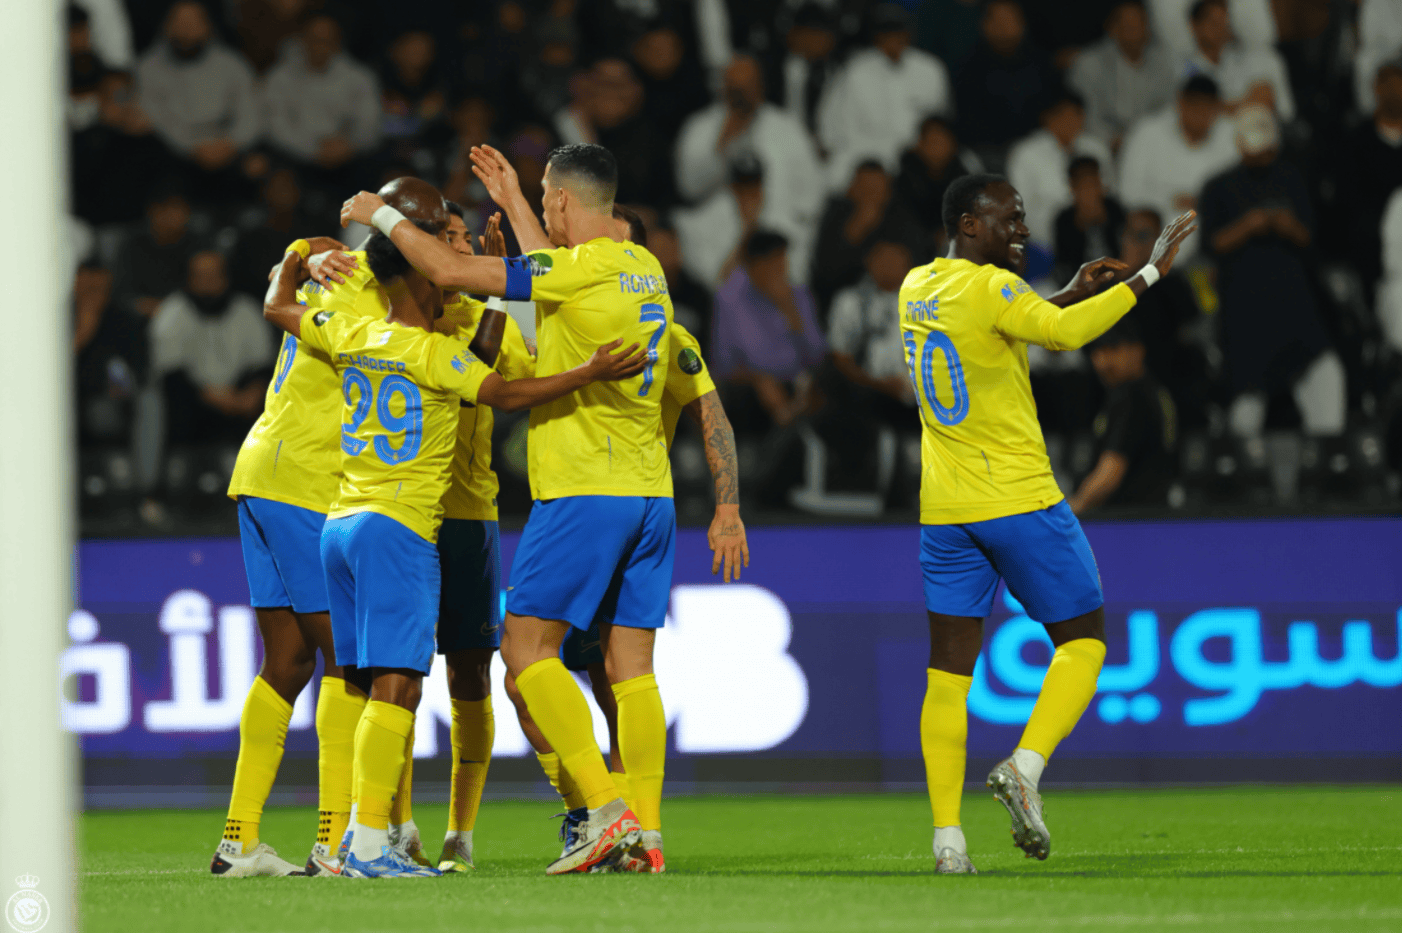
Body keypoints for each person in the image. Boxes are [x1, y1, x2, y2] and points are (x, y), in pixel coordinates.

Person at [340, 143, 744, 875]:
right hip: (651, 497)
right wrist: (519, 202)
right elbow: (554, 269)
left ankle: (604, 811)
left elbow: (452, 272)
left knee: (526, 652)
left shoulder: (575, 270)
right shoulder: (644, 269)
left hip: (586, 490)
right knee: (632, 668)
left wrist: (382, 215)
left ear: (562, 202)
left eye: (546, 201)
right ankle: (646, 834)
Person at [279, 176, 648, 879]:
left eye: (458, 242)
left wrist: (302, 255)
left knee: (439, 678)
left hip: (403, 514)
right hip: (408, 519)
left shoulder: (369, 322)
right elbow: (497, 385)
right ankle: (377, 834)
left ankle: (441, 834)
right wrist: (582, 362)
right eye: (442, 242)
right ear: (416, 257)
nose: (454, 251)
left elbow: (282, 305)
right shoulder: (411, 325)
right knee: (395, 683)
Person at [898, 171, 1194, 873]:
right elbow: (1059, 335)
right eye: (1009, 217)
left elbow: (1003, 324)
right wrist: (1150, 271)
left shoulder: (917, 287)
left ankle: (947, 843)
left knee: (947, 677)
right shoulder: (992, 287)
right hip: (1020, 499)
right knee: (1084, 642)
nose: (1022, 229)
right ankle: (1025, 768)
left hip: (945, 510)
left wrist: (1067, 292)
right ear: (970, 224)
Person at [1197, 106, 1344, 439]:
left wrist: (1286, 225)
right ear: (1240, 145)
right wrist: (1249, 225)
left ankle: (1330, 454)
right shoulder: (1219, 185)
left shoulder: (1291, 178)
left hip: (1293, 300)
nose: (1262, 157)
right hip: (1245, 305)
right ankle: (1241, 465)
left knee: (1325, 371)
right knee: (1248, 400)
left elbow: (1310, 237)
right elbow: (1210, 244)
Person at [674, 54, 824, 246]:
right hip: (721, 240)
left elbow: (812, 190)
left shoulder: (786, 127)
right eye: (736, 88)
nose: (742, 94)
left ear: (761, 86)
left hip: (781, 238)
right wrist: (723, 143)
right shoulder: (700, 128)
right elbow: (689, 188)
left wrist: (797, 226)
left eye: (748, 85)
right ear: (723, 87)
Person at [135, 0, 260, 204]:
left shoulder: (233, 63)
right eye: (179, 22)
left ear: (208, 26)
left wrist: (232, 143)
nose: (186, 29)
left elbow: (250, 113)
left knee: (257, 166)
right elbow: (155, 117)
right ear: (165, 26)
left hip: (229, 146)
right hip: (176, 151)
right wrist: (193, 148)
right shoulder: (147, 68)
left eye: (193, 22)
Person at [150, 249, 275, 450]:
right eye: (201, 276)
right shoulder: (170, 313)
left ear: (226, 277)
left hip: (242, 402)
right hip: (192, 405)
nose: (208, 282)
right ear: (189, 279)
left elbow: (262, 365)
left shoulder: (248, 310)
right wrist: (218, 399)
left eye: (214, 275)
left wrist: (252, 393)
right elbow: (171, 373)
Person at [816, 3, 953, 188]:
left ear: (909, 33)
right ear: (876, 36)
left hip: (918, 161)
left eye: (898, 32)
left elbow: (940, 125)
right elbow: (831, 128)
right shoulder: (855, 71)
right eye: (887, 33)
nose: (893, 39)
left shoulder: (930, 69)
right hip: (866, 157)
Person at [713, 230, 828, 430]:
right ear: (752, 267)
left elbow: (818, 355)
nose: (778, 269)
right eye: (770, 263)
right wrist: (758, 379)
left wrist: (790, 310)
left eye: (781, 261)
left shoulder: (800, 296)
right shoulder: (730, 301)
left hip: (800, 380)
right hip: (753, 387)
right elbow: (723, 363)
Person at [260, 14, 381, 194]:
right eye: (314, 39)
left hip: (350, 155)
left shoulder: (360, 77)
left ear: (338, 43)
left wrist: (349, 145)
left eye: (326, 40)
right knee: (276, 176)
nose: (319, 46)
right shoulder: (279, 78)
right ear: (302, 41)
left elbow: (370, 123)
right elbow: (276, 127)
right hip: (297, 156)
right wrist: (313, 149)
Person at [1118, 75, 1236, 257]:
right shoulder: (1147, 132)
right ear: (1180, 103)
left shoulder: (1230, 135)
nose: (1200, 116)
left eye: (1207, 109)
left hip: (1211, 235)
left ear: (1217, 109)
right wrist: (1169, 200)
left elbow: (1236, 192)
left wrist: (1203, 202)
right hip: (1154, 233)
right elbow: (1128, 193)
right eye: (1195, 107)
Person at [1068, 319, 1177, 513]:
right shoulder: (1155, 391)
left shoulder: (1130, 396)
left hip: (1129, 518)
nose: (1103, 361)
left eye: (1113, 348)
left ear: (1137, 350)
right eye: (1097, 351)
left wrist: (1075, 507)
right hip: (1154, 514)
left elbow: (1111, 471)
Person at [1005, 90, 1113, 258]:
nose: (1071, 121)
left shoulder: (1096, 149)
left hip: (1094, 238)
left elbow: (1108, 195)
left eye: (1076, 115)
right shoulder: (1025, 154)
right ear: (1048, 117)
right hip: (1043, 244)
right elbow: (1019, 209)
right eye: (1064, 115)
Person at [1067, 0, 1176, 149]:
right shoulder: (1088, 64)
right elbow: (1084, 118)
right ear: (1112, 28)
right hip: (1101, 145)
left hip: (1150, 145)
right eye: (1128, 24)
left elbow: (1168, 112)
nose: (1135, 30)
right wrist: (1113, 140)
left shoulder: (1163, 63)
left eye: (1139, 23)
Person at [1181, 0, 1294, 121]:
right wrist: (1245, 103)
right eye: (1214, 23)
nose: (1221, 30)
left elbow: (1264, 98)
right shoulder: (1185, 68)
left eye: (1224, 23)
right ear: (1194, 25)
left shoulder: (1240, 58)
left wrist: (1226, 107)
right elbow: (1200, 113)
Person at [1053, 157, 1127, 286]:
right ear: (1072, 187)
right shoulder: (1064, 220)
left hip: (1119, 279)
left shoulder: (1114, 210)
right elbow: (1064, 265)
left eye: (1094, 183)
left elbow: (1128, 250)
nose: (1090, 191)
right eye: (1084, 186)